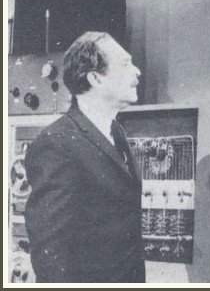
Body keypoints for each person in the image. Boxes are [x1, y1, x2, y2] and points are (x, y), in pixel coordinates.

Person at [24, 31, 145, 282]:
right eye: (125, 64)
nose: (137, 72)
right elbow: (51, 256)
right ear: (95, 78)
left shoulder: (117, 133)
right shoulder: (56, 143)